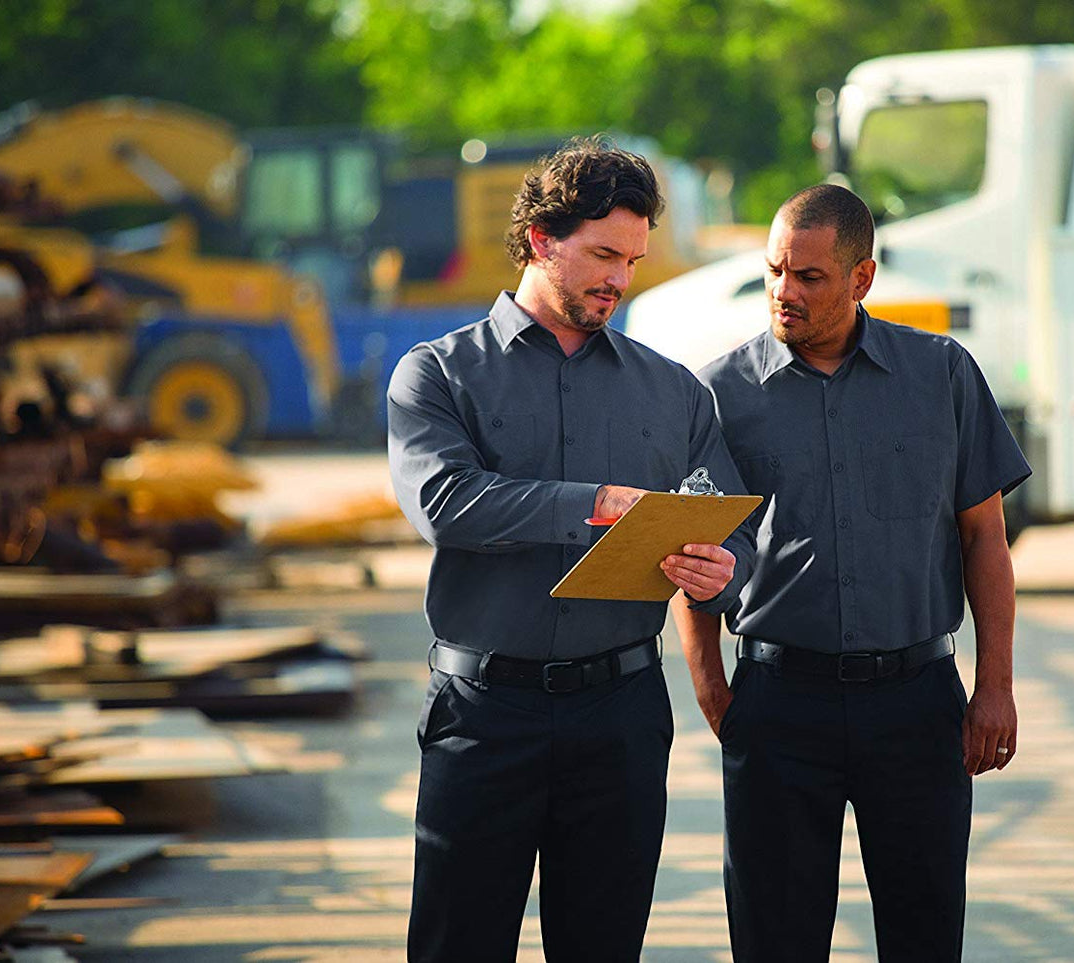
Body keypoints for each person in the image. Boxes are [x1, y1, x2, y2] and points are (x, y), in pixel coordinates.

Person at [388, 137, 754, 963]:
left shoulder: (673, 391)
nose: (619, 279)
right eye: (601, 254)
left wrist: (724, 570)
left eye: (631, 259)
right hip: (482, 716)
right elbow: (446, 503)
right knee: (456, 945)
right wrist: (593, 503)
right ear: (542, 240)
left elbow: (731, 527)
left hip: (619, 719)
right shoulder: (436, 375)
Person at [673, 183, 1030, 962]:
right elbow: (691, 557)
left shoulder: (939, 373)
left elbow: (984, 541)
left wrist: (994, 685)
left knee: (924, 931)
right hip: (776, 707)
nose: (782, 292)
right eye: (772, 271)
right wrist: (714, 693)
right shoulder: (719, 393)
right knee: (774, 938)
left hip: (915, 706)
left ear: (861, 278)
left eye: (808, 277)